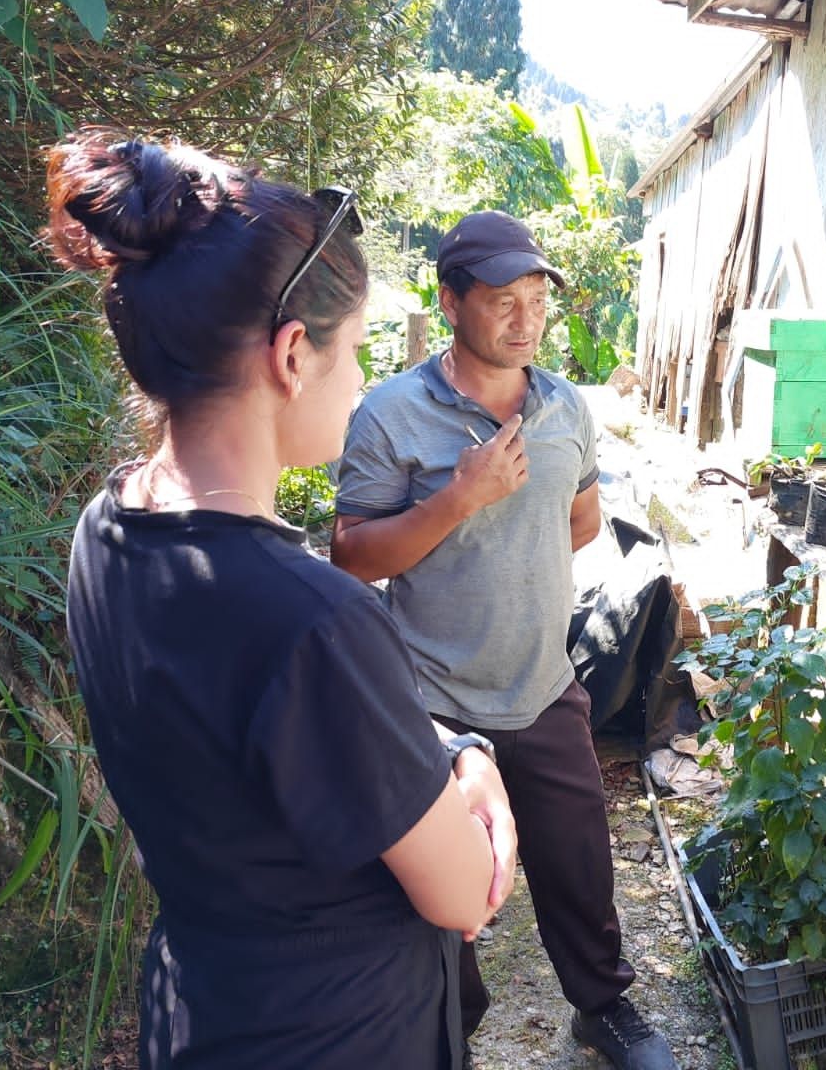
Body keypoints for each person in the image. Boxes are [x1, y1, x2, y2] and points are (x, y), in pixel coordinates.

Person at [49, 132, 516, 1069]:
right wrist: (478, 773)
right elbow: (465, 898)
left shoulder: (105, 532)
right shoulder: (314, 620)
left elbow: (256, 744)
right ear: (293, 353)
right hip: (338, 1035)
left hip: (201, 1009)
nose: (361, 385)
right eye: (355, 354)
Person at [330, 211, 679, 1070]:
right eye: (501, 301)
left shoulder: (564, 408)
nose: (526, 320)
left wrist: (507, 553)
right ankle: (451, 1025)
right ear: (449, 302)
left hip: (541, 681)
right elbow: (350, 559)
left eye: (536, 301)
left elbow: (580, 524)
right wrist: (461, 501)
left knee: (578, 863)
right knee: (446, 897)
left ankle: (602, 1008)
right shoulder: (392, 416)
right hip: (432, 703)